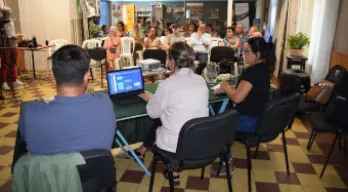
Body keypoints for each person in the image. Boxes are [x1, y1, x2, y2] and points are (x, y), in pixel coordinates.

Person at [18, 45, 116, 155]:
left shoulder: (30, 111)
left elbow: (24, 140)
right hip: (95, 172)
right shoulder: (105, 102)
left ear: (52, 75)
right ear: (87, 76)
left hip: (50, 172)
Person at [136, 42, 209, 186]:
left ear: (173, 61)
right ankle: (173, 170)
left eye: (169, 59)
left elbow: (153, 113)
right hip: (199, 141)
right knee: (172, 115)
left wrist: (151, 98)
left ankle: (172, 166)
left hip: (175, 145)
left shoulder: (167, 85)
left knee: (162, 119)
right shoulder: (201, 80)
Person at [212, 37, 275, 175]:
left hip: (250, 120)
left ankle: (227, 164)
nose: (243, 54)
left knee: (219, 124)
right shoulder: (263, 69)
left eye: (247, 51)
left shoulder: (251, 71)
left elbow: (237, 98)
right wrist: (231, 87)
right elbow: (249, 87)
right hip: (260, 117)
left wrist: (225, 86)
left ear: (257, 54)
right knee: (224, 116)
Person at [0, 6, 24, 90]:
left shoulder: (11, 20)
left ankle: (14, 80)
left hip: (13, 45)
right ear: (3, 13)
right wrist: (8, 37)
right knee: (4, 65)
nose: (8, 15)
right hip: (4, 46)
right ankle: (3, 82)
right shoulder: (0, 22)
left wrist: (15, 36)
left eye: (9, 13)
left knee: (13, 63)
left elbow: (12, 31)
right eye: (6, 13)